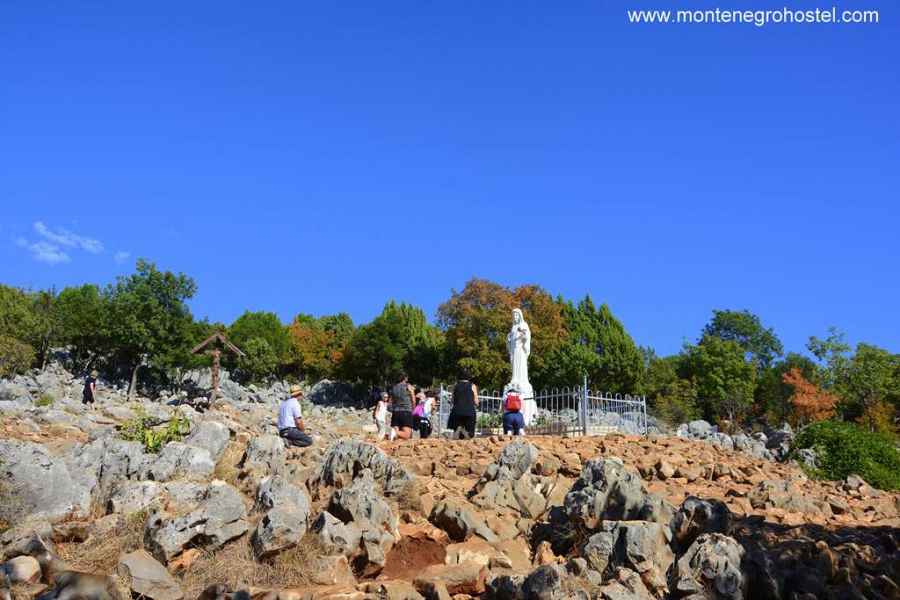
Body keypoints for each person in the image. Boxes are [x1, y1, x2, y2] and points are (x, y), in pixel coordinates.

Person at [448, 370, 478, 439]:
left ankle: (460, 429)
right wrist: (475, 404)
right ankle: (465, 432)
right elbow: (476, 401)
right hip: (469, 411)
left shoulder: (455, 385)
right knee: (470, 433)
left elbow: (452, 400)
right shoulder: (472, 386)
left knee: (458, 436)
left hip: (457, 411)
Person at [389, 373, 415, 440]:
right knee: (407, 434)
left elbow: (391, 401)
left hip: (396, 412)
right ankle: (395, 432)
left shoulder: (394, 387)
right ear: (405, 378)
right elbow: (413, 398)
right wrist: (413, 408)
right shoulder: (407, 386)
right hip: (406, 411)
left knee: (396, 438)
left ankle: (394, 434)